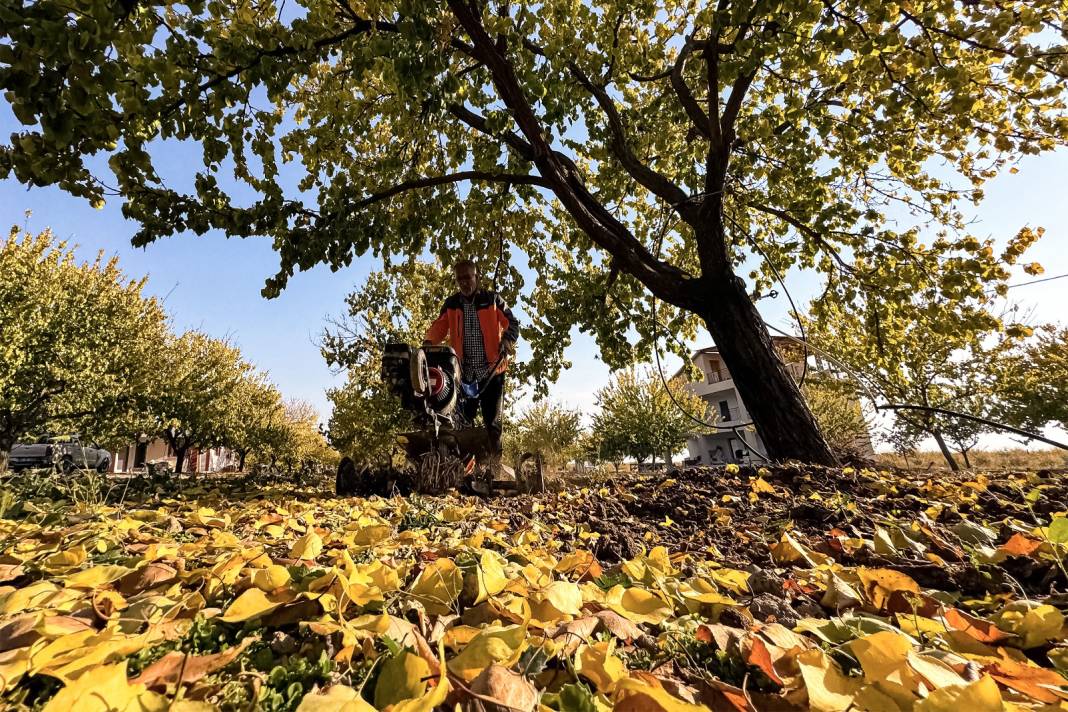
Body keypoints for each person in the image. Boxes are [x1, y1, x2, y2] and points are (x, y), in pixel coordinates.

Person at [423, 259, 519, 459]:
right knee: (461, 423)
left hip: (492, 372)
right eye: (460, 279)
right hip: (464, 375)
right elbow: (438, 327)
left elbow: (512, 321)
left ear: (477, 277)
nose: (464, 282)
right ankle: (464, 468)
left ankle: (495, 466)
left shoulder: (493, 300)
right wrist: (428, 343)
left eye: (468, 277)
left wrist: (508, 339)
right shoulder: (452, 304)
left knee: (493, 423)